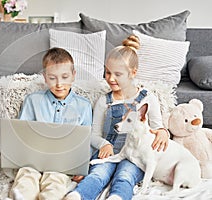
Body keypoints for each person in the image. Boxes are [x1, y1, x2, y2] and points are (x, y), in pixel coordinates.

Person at [64, 35, 169, 200]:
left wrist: (163, 132)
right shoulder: (103, 101)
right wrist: (104, 144)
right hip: (109, 153)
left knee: (125, 177)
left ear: (133, 73)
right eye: (107, 72)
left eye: (117, 74)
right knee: (97, 175)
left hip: (136, 155)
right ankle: (77, 195)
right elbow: (93, 134)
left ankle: (117, 197)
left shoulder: (148, 98)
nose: (110, 79)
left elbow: (157, 128)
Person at [9, 47, 93, 200]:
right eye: (53, 78)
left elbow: (86, 142)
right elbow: (21, 135)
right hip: (33, 160)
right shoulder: (32, 100)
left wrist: (82, 167)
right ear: (45, 77)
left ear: (73, 76)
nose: (59, 84)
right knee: (27, 174)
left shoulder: (84, 106)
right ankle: (21, 196)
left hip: (62, 164)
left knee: (55, 179)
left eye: (65, 76)